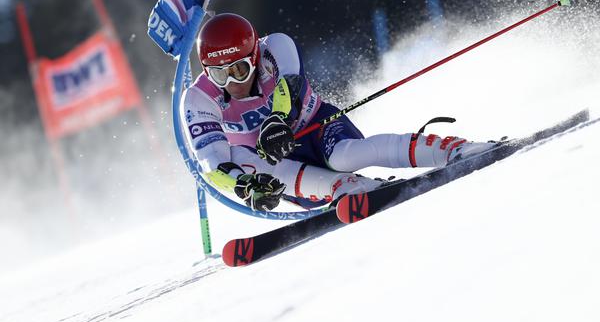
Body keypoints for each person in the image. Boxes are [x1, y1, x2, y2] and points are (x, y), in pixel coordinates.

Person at [181, 13, 497, 212]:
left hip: (317, 127)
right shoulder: (197, 100)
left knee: (345, 156)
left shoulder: (275, 47)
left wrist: (277, 120)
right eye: (220, 75)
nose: (233, 82)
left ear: (254, 56)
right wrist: (245, 187)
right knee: (243, 158)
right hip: (283, 167)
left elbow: (288, 89)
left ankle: (452, 149)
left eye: (239, 69)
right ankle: (343, 187)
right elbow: (212, 162)